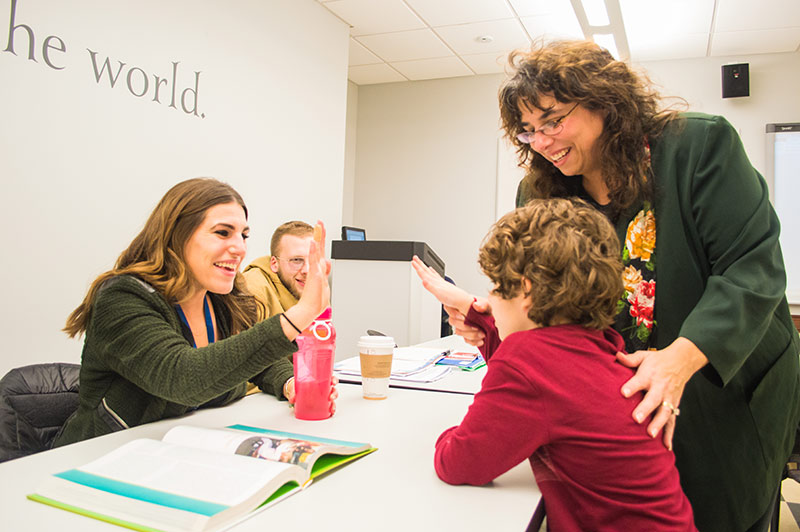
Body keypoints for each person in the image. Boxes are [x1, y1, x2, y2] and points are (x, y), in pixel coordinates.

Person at [447, 40, 800, 532]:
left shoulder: (697, 147)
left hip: (721, 388)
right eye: (528, 131)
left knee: (725, 505)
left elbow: (751, 267)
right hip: (619, 410)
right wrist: (489, 317)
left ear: (605, 103)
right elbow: (549, 302)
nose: (542, 142)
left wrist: (680, 359)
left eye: (553, 121)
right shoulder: (540, 191)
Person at [412, 199, 697, 531]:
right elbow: (538, 379)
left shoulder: (527, 360)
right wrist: (474, 312)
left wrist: (449, 436)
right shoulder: (597, 342)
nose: (489, 300)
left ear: (526, 291)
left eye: (496, 289)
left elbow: (460, 463)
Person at [55, 178, 336, 446]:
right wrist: (301, 314)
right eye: (223, 232)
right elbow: (182, 377)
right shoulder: (122, 297)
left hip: (180, 452)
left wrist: (290, 383)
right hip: (96, 458)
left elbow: (252, 359)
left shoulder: (220, 299)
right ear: (178, 235)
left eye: (243, 235)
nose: (240, 248)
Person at [242, 220, 313, 319]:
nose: (307, 270)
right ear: (274, 264)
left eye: (314, 260)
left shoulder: (316, 288)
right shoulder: (253, 292)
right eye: (296, 260)